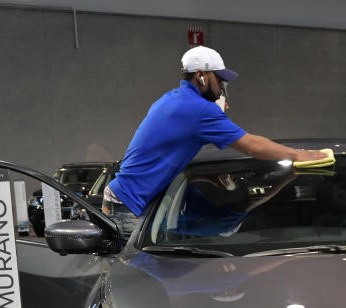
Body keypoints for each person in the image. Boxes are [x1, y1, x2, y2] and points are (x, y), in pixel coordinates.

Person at [104, 45, 326, 237]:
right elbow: (252, 146)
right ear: (201, 75)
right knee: (140, 279)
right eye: (219, 79)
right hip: (129, 207)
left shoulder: (172, 99)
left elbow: (178, 142)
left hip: (126, 199)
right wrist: (298, 155)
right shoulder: (199, 110)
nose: (222, 87)